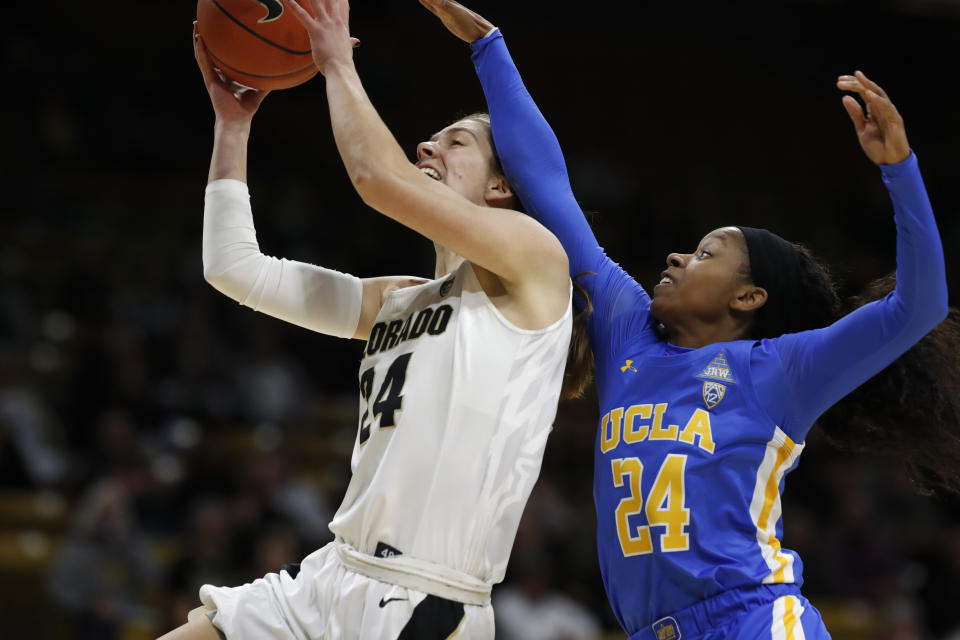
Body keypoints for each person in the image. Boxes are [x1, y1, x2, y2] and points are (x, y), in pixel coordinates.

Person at [420, 1, 959, 638]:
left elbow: (917, 306)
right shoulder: (626, 329)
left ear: (748, 298)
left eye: (706, 254)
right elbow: (547, 185)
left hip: (755, 619)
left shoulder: (781, 370)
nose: (678, 255)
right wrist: (489, 43)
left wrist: (899, 168)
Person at [160, 0, 581, 636]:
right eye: (433, 137)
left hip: (424, 597)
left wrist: (335, 62)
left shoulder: (534, 258)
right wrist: (232, 128)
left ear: (501, 188)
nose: (426, 145)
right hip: (329, 575)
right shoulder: (398, 298)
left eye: (456, 142)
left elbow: (374, 177)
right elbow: (235, 270)